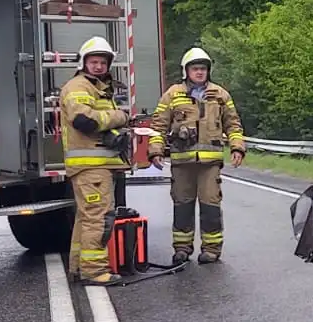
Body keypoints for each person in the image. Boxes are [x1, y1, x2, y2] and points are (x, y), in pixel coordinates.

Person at [146, 47, 246, 263]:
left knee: (210, 205)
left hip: (210, 164)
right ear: (186, 71)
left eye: (203, 69)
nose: (199, 72)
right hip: (182, 162)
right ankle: (182, 248)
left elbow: (233, 124)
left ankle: (211, 249)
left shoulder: (220, 95)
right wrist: (155, 150)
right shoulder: (172, 95)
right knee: (182, 205)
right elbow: (158, 126)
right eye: (195, 68)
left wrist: (237, 147)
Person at [62, 36, 133, 286]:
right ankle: (94, 271)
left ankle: (79, 268)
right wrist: (118, 117)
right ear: (84, 63)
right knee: (98, 218)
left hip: (97, 166)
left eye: (103, 62)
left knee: (86, 219)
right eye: (94, 62)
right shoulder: (79, 87)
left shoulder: (99, 88)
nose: (99, 66)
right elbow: (85, 121)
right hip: (91, 168)